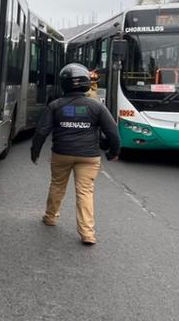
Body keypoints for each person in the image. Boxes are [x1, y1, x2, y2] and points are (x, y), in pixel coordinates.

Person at [30, 63, 120, 245]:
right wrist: (113, 152)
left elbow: (41, 132)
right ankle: (87, 233)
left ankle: (50, 217)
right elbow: (112, 132)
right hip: (89, 157)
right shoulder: (96, 106)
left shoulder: (55, 105)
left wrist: (35, 152)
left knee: (57, 186)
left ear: (64, 83)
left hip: (61, 154)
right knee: (85, 192)